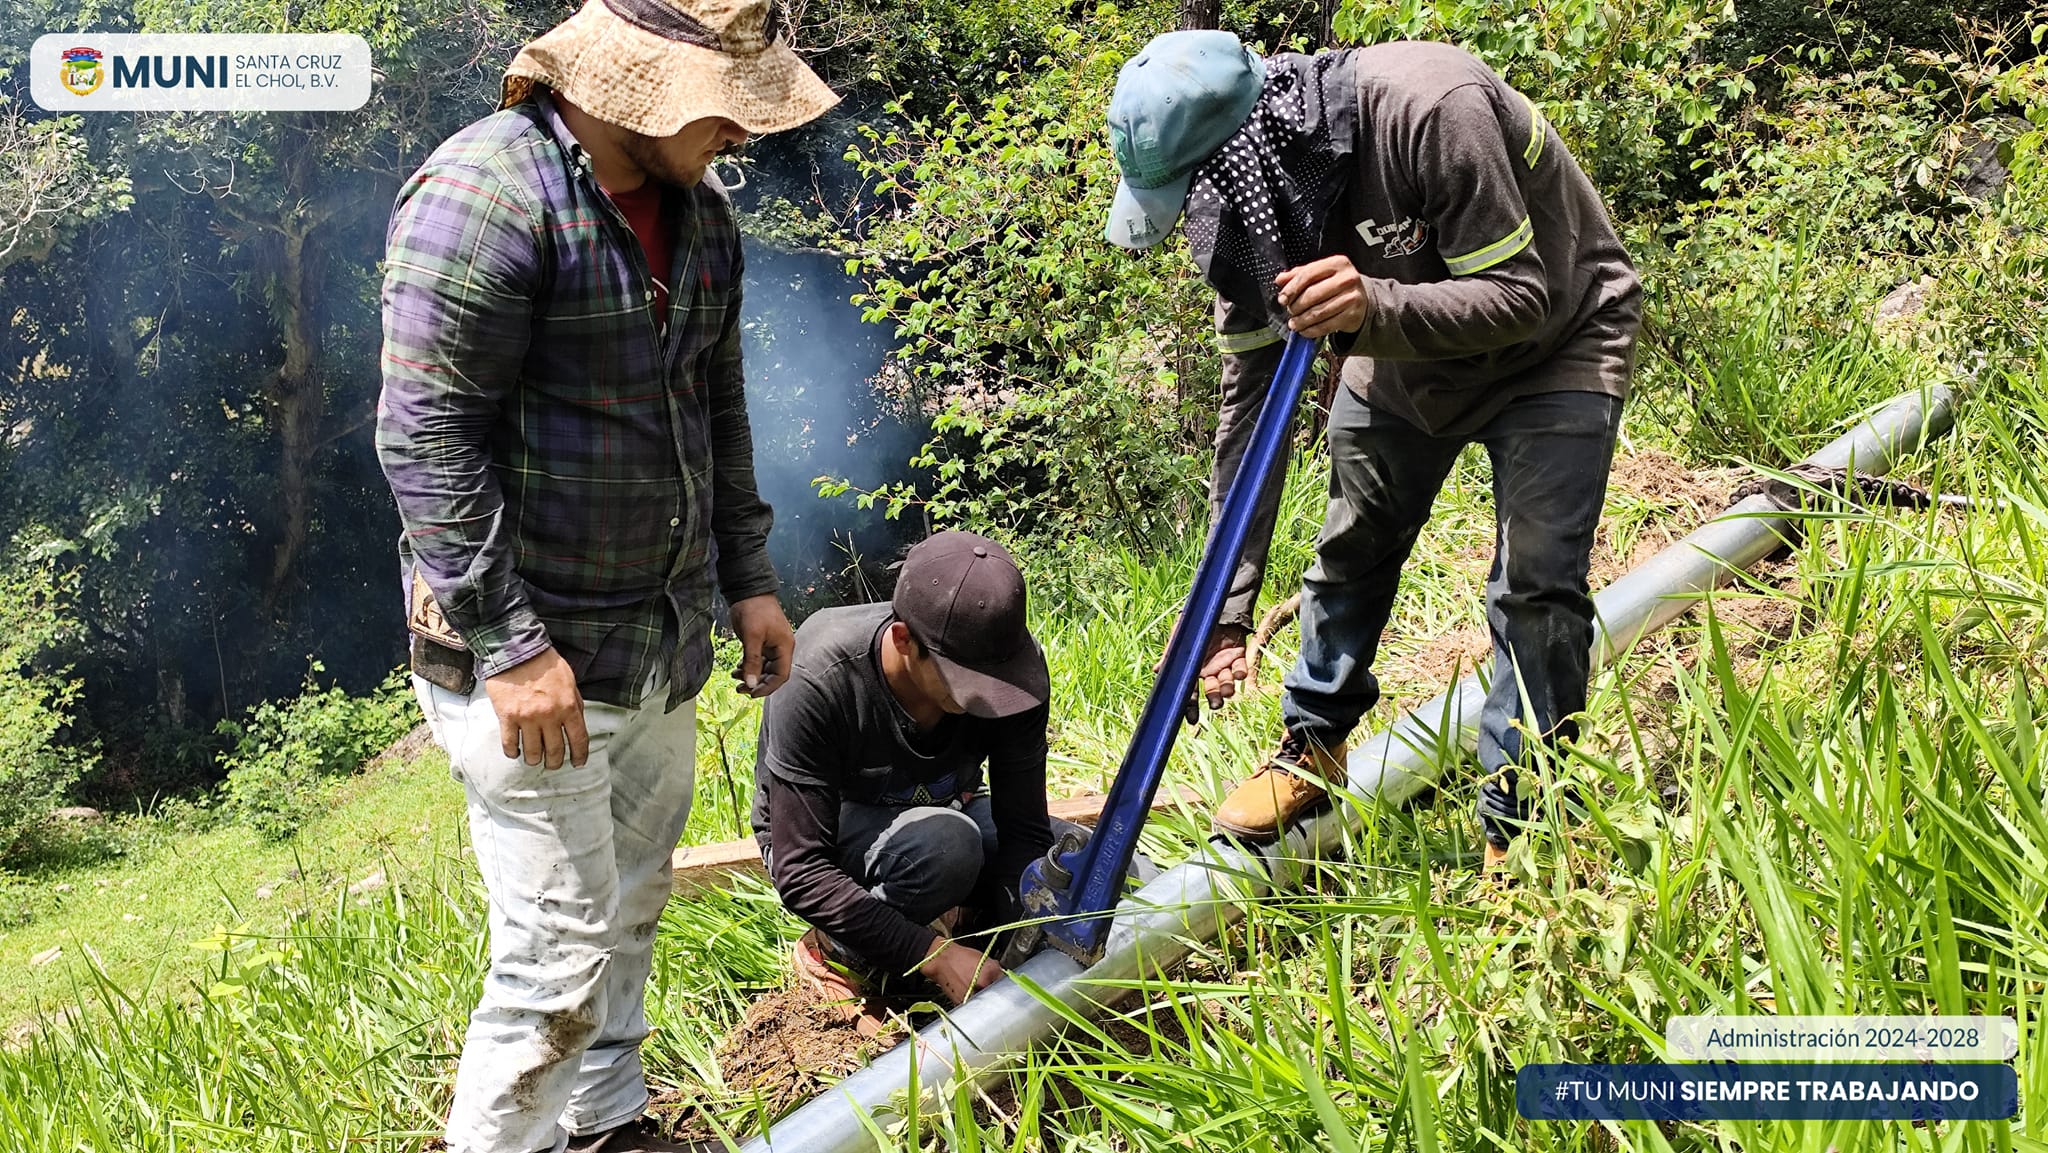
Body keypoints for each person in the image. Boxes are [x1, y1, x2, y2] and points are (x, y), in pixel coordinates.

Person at [374, 0, 837, 1148]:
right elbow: (424, 439)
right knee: (554, 956)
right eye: (725, 102)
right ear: (638, 84)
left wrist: (748, 577)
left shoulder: (702, 215)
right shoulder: (485, 198)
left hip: (657, 637)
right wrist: (512, 648)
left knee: (630, 902)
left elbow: (716, 405)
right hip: (528, 656)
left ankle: (608, 1120)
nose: (743, 129)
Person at [1103, 31, 1641, 868]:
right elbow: (1250, 413)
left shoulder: (1430, 108)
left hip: (1558, 340)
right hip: (1400, 356)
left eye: (1203, 182)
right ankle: (1312, 746)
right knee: (1353, 543)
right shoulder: (1246, 210)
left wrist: (1372, 306)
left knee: (1535, 584)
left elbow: (1523, 295)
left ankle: (1524, 818)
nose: (1205, 206)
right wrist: (1224, 610)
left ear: (1248, 142)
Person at [751, 531, 1057, 1009]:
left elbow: (1024, 828)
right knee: (948, 846)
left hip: (943, 808)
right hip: (826, 833)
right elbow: (801, 869)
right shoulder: (820, 678)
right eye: (966, 685)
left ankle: (953, 914)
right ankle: (835, 951)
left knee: (1067, 861)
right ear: (903, 640)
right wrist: (930, 955)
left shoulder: (1011, 669)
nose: (986, 699)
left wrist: (1030, 928)